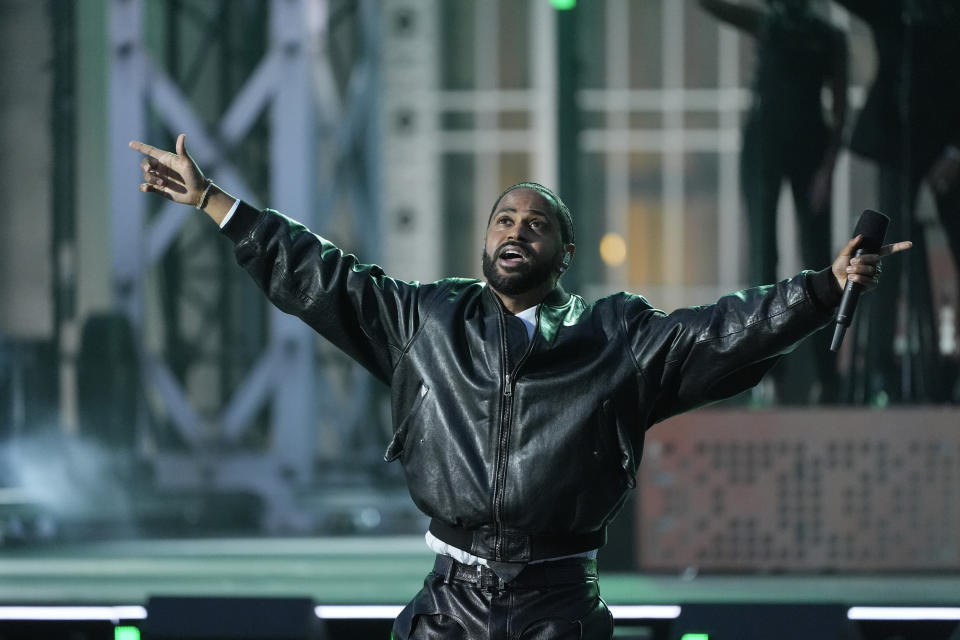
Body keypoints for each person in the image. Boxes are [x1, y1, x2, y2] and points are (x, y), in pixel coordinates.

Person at [130, 133, 911, 639]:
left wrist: (821, 288)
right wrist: (213, 201)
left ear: (563, 251)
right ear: (485, 240)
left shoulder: (617, 338)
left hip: (559, 608)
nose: (515, 230)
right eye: (504, 220)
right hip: (449, 608)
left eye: (535, 224)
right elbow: (319, 277)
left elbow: (722, 331)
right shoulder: (423, 322)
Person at [699, 0, 848, 403]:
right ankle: (765, 376)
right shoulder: (769, 23)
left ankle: (826, 379)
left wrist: (828, 169)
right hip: (764, 143)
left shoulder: (829, 36)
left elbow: (839, 108)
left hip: (809, 145)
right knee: (764, 257)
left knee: (819, 260)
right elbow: (715, 8)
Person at [833, 0, 960, 403]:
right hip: (896, 144)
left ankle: (946, 376)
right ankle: (880, 372)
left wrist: (955, 153)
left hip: (945, 144)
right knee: (885, 254)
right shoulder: (896, 11)